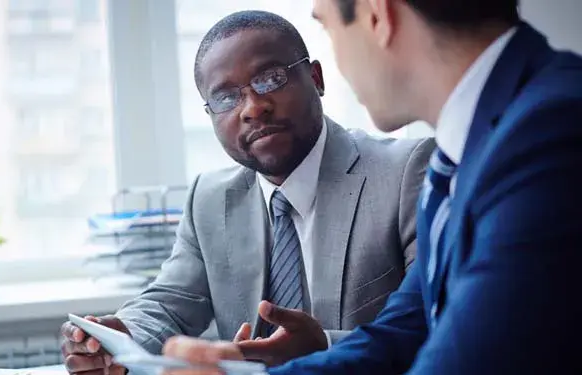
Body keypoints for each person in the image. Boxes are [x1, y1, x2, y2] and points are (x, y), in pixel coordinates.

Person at [160, 0, 582, 374]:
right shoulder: (469, 150)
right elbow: (402, 334)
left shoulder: (552, 136)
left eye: (327, 26)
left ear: (378, 15)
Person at [61, 10, 434, 375]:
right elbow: (170, 302)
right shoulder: (209, 199)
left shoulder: (405, 173)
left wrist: (324, 347)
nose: (254, 108)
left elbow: (433, 324)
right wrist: (120, 335)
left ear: (316, 78)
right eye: (226, 97)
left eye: (270, 79)